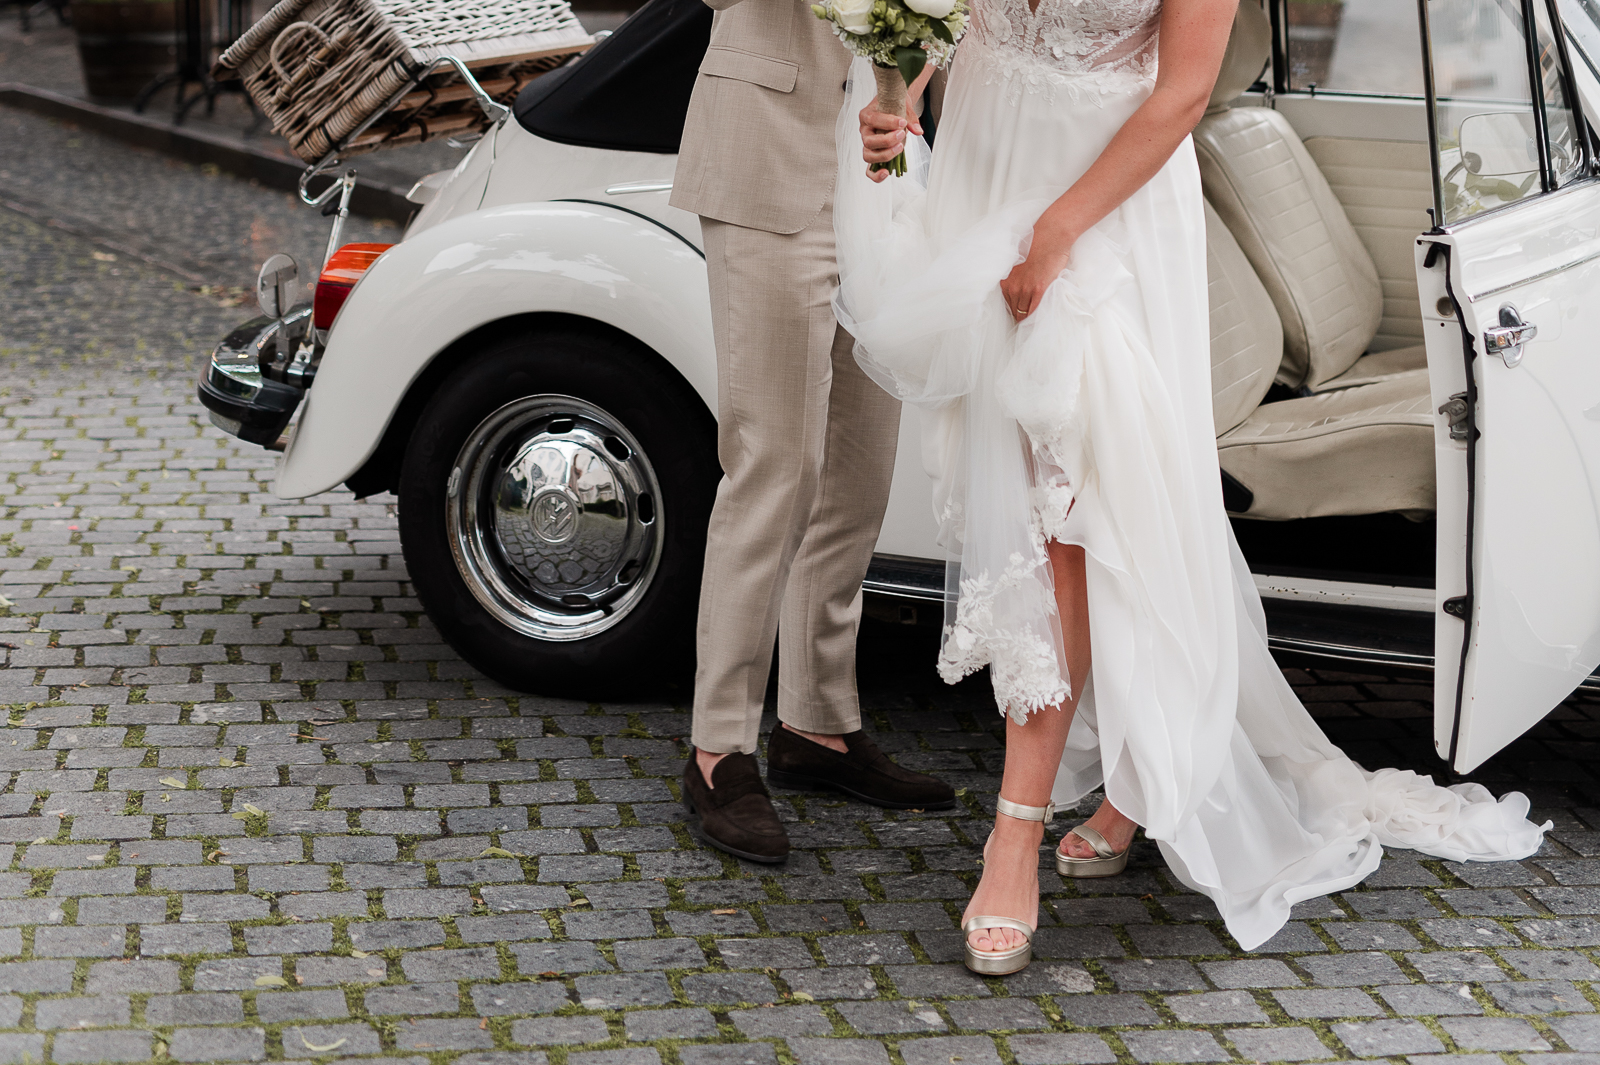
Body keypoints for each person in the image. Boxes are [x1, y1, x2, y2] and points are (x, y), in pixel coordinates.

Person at [838, 0, 1548, 973]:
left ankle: (1013, 835)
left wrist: (1057, 230)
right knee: (1054, 501)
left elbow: (1181, 93)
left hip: (1105, 209)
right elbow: (941, 13)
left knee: (1069, 517)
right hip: (984, 175)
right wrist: (902, 91)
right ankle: (1139, 777)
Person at [668, 0, 957, 865]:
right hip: (765, 156)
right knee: (776, 466)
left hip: (882, 176)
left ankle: (817, 725)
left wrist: (910, 87)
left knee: (861, 474)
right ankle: (718, 748)